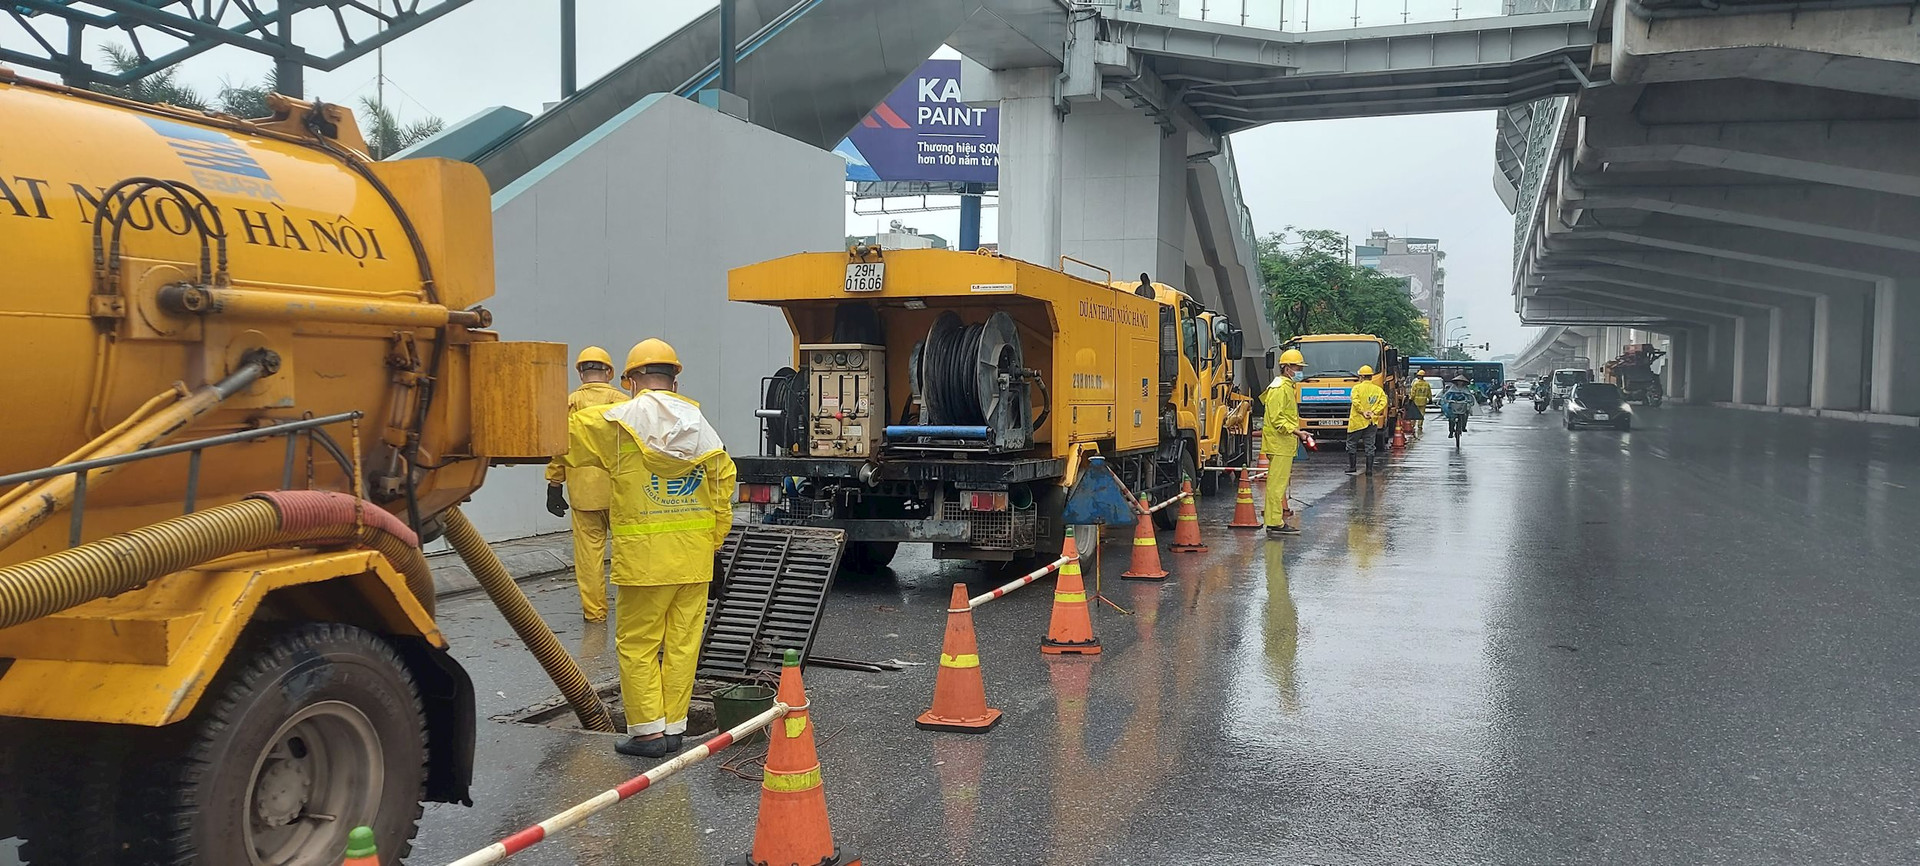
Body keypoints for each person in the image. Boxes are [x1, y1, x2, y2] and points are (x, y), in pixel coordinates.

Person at [557, 339, 737, 758]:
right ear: (676, 378)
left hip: (644, 562)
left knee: (638, 645)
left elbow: (558, 434)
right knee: (681, 646)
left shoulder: (614, 424)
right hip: (694, 560)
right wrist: (712, 544)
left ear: (630, 380)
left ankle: (648, 734)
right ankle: (674, 729)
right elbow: (723, 488)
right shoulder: (700, 426)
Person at [544, 347, 629, 622]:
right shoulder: (623, 402)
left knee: (589, 558)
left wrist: (554, 483)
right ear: (610, 372)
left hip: (583, 495)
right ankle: (632, 611)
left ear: (580, 373)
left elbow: (560, 447)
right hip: (620, 491)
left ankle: (595, 614)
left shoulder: (568, 403)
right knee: (628, 553)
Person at [1261, 349, 1313, 537]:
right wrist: (1297, 431)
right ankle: (1274, 522)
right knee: (1276, 485)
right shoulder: (1279, 388)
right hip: (1279, 443)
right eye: (1297, 367)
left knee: (1278, 484)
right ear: (1286, 368)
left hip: (1283, 442)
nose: (1300, 370)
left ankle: (1275, 521)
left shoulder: (1286, 386)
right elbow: (1277, 419)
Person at [1345, 365, 1389, 476]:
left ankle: (1352, 467)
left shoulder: (1356, 388)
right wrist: (1373, 412)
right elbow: (1383, 402)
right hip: (1371, 421)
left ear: (1361, 376)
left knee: (1351, 444)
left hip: (1357, 421)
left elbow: (1355, 402)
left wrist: (1363, 411)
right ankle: (1369, 470)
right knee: (1370, 445)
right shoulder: (1378, 390)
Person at [1441, 375, 1475, 439]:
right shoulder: (1452, 388)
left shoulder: (1465, 388)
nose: (1460, 383)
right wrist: (1447, 400)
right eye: (1459, 381)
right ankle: (1451, 432)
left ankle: (1463, 427)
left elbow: (1469, 396)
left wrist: (1469, 401)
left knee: (1465, 414)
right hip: (1453, 404)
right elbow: (1447, 395)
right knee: (1451, 419)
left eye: (1461, 381)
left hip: (1462, 404)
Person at [1408, 370, 1432, 437]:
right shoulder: (1426, 384)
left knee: (1415, 414)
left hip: (1416, 401)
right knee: (1421, 414)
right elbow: (1429, 393)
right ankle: (1420, 425)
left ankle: (1413, 425)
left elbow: (1413, 393)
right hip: (1423, 401)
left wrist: (1410, 399)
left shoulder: (1415, 383)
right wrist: (1430, 399)